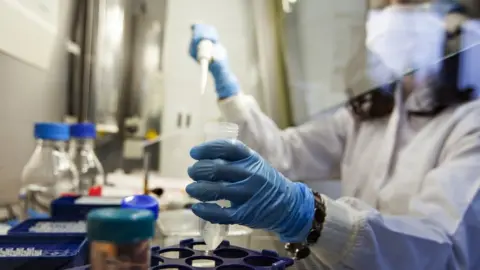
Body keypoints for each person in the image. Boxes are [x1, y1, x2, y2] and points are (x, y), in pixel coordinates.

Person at [186, 1, 480, 269]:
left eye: (404, 2)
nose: (389, 14)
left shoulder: (470, 124)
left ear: (452, 16)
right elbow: (283, 152)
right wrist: (230, 93)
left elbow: (442, 253)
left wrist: (309, 215)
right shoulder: (371, 112)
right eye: (381, 4)